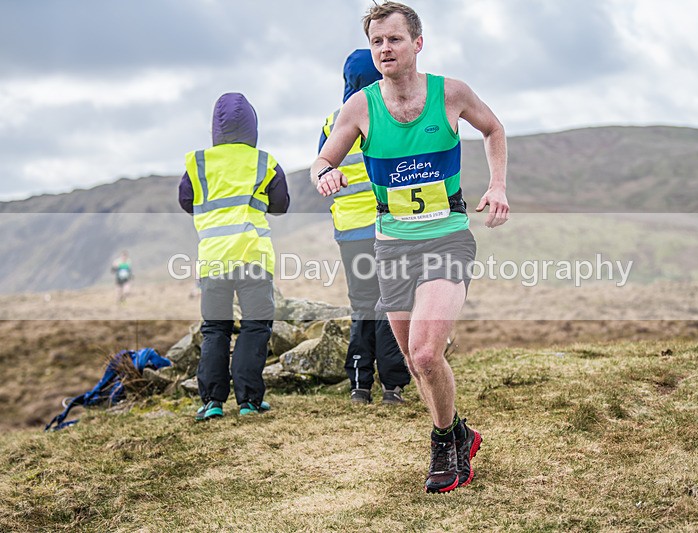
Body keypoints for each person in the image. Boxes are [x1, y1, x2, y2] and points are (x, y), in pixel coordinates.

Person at [311, 2, 509, 493]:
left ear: (417, 44)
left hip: (447, 239)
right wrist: (325, 173)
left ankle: (444, 443)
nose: (385, 49)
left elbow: (494, 129)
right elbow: (321, 159)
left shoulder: (451, 94)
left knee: (424, 353)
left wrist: (499, 186)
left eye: (394, 40)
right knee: (414, 363)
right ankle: (461, 432)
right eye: (377, 42)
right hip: (392, 247)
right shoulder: (359, 107)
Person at [179, 92, 290, 421]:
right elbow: (281, 205)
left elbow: (187, 201)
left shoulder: (198, 162)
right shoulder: (263, 161)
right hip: (253, 257)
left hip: (213, 259)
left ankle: (212, 402)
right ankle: (249, 401)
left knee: (215, 329)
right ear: (253, 126)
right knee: (255, 327)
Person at [318, 49, 411, 405]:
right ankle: (393, 386)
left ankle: (359, 384)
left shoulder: (331, 122)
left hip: (350, 231)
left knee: (362, 305)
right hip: (389, 226)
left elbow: (324, 169)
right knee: (393, 302)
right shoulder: (390, 115)